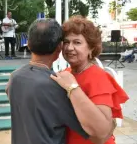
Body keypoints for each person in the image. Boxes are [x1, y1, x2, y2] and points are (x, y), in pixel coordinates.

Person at [6, 19, 93, 144]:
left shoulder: (14, 77)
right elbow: (88, 130)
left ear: (29, 45)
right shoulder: (56, 85)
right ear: (59, 48)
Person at [50, 15, 129, 144]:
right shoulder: (65, 74)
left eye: (77, 42)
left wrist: (72, 88)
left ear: (91, 48)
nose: (69, 48)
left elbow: (102, 133)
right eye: (66, 42)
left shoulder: (98, 77)